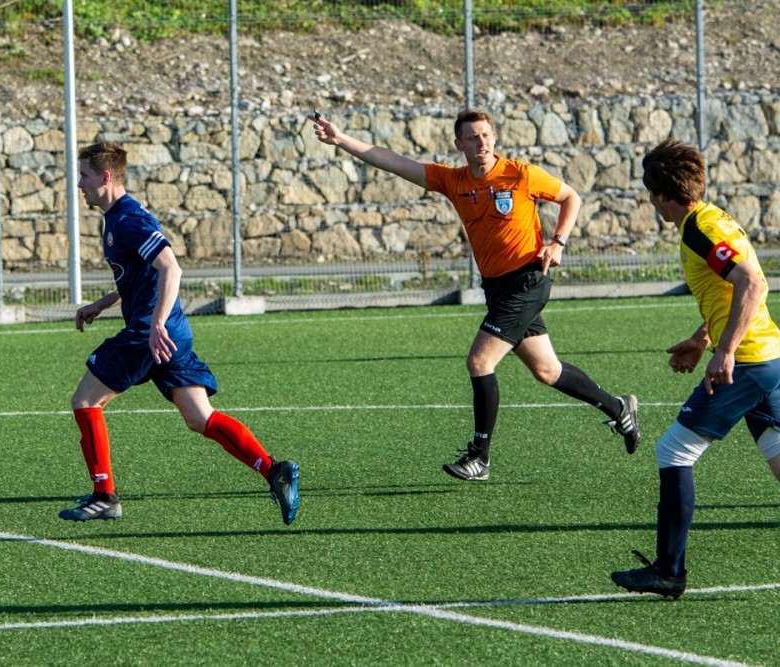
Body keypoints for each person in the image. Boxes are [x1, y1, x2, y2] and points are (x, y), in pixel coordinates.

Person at [310, 108, 639, 480]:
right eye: (472, 137)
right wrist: (341, 139)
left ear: (494, 137)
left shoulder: (521, 174)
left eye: (486, 135)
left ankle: (479, 457)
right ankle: (619, 409)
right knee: (547, 370)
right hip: (496, 288)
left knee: (480, 362)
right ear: (459, 145)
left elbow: (570, 197)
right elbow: (394, 161)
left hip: (527, 282)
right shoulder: (454, 181)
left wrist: (558, 242)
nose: (481, 142)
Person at [61, 141, 300, 525]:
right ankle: (274, 470)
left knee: (85, 401)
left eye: (84, 176)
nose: (79, 185)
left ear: (105, 177)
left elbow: (171, 268)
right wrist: (102, 304)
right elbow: (142, 275)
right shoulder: (118, 217)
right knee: (200, 418)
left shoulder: (128, 219)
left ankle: (104, 496)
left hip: (150, 333)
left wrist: (155, 325)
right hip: (172, 332)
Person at [610, 139, 780, 599]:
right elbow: (732, 290)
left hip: (748, 361)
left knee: (673, 452)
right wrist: (702, 339)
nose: (652, 203)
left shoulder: (698, 230)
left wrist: (725, 352)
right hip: (767, 356)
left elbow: (752, 282)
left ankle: (669, 571)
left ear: (661, 195)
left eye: (651, 195)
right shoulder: (711, 218)